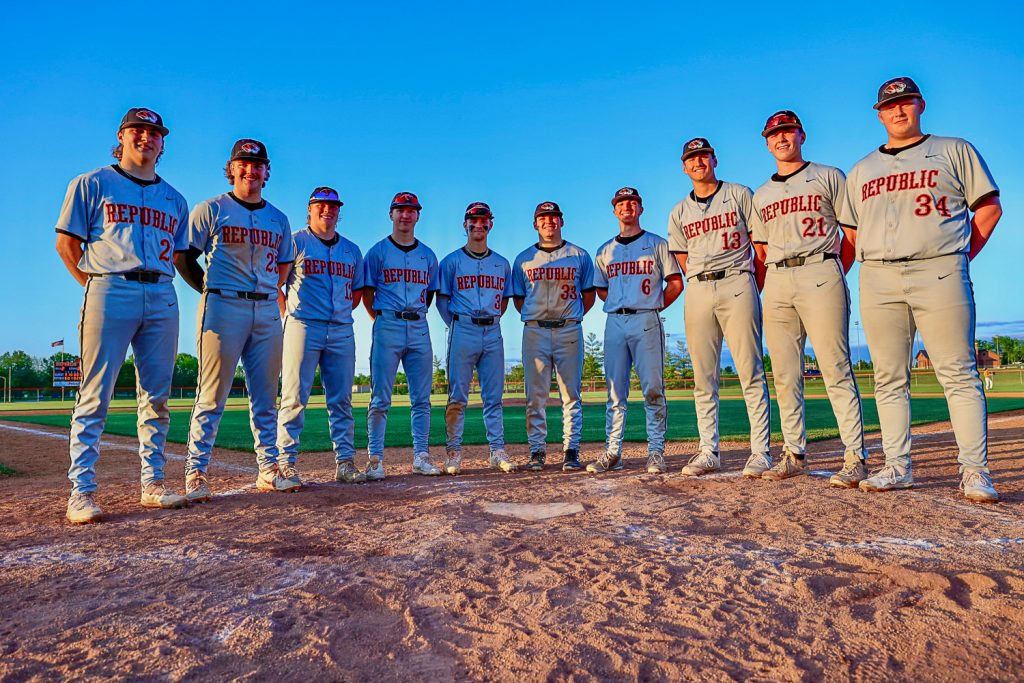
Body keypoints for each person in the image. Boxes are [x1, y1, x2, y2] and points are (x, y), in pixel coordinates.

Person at [838, 76, 1003, 503]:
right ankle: (897, 466)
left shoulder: (953, 149)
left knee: (959, 372)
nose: (898, 110)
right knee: (889, 377)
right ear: (878, 113)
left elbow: (988, 207)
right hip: (878, 276)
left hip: (940, 268)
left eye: (906, 102)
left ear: (921, 105)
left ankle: (974, 471)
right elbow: (852, 236)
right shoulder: (861, 170)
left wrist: (961, 256)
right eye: (889, 105)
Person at [56, 107, 190, 523]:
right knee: (96, 393)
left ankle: (153, 484)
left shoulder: (176, 199)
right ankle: (81, 491)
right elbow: (66, 245)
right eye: (138, 131)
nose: (146, 138)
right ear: (122, 136)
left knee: (157, 396)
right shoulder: (92, 183)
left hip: (163, 293)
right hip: (110, 286)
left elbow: (182, 253)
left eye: (154, 133)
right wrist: (96, 288)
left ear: (162, 143)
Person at [750, 111, 869, 487]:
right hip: (779, 277)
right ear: (767, 143)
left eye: (787, 131)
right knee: (785, 374)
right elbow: (760, 246)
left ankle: (855, 456)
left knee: (835, 367)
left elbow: (850, 233)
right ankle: (794, 453)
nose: (781, 139)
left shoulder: (829, 176)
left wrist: (833, 273)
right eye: (774, 134)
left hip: (821, 268)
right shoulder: (763, 193)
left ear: (801, 134)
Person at [175, 139, 295, 501]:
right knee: (212, 394)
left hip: (265, 309)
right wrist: (209, 291)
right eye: (243, 164)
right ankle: (196, 471)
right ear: (231, 169)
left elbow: (285, 262)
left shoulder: (278, 218)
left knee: (265, 396)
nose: (250, 170)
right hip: (223, 306)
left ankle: (269, 469)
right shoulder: (211, 209)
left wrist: (270, 285)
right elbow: (184, 257)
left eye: (257, 165)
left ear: (266, 172)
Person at [666, 138, 772, 477]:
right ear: (684, 167)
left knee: (749, 369)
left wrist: (751, 284)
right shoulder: (679, 211)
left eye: (703, 156)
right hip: (698, 286)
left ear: (714, 159)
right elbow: (683, 258)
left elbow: (760, 246)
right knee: (703, 377)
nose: (698, 162)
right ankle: (708, 450)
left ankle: (760, 451)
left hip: (737, 279)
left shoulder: (740, 194)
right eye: (691, 158)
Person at [588, 187, 682, 474]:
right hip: (615, 321)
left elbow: (676, 283)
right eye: (621, 203)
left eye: (632, 202)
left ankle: (655, 451)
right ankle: (613, 451)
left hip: (646, 319)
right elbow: (602, 289)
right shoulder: (605, 250)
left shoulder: (656, 243)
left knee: (653, 388)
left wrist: (651, 305)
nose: (626, 207)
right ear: (615, 211)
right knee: (615, 391)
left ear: (641, 208)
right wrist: (622, 302)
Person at [277, 187, 367, 486]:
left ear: (339, 212)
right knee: (294, 397)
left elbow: (355, 292)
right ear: (310, 209)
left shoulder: (352, 250)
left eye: (333, 206)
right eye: (321, 205)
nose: (327, 210)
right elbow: (277, 284)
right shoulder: (295, 242)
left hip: (341, 328)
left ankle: (344, 462)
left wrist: (338, 312)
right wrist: (287, 315)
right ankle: (286, 463)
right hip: (303, 325)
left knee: (341, 400)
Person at [513, 201, 596, 472]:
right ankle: (537, 450)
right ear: (535, 224)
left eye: (554, 217)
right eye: (543, 218)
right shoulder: (523, 259)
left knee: (570, 394)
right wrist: (536, 316)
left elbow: (588, 294)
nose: (549, 222)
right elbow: (519, 299)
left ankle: (570, 450)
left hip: (569, 328)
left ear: (562, 221)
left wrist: (572, 314)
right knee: (535, 396)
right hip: (535, 329)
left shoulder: (579, 255)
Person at [362, 192, 440, 478]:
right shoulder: (378, 252)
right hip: (388, 324)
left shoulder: (428, 255)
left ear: (418, 215)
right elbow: (367, 293)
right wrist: (383, 320)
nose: (405, 215)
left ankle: (421, 455)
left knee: (422, 399)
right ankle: (375, 459)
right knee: (380, 398)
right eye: (400, 210)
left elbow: (430, 293)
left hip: (419, 325)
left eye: (411, 211)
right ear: (391, 214)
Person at [437, 202, 516, 475]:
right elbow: (442, 300)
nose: (478, 224)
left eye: (483, 220)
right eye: (473, 219)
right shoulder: (451, 262)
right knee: (457, 396)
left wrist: (489, 320)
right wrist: (459, 326)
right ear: (465, 224)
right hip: (463, 329)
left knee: (493, 397)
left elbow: (505, 301)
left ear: (490, 224)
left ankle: (497, 451)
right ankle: (453, 453)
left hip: (493, 330)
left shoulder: (501, 264)